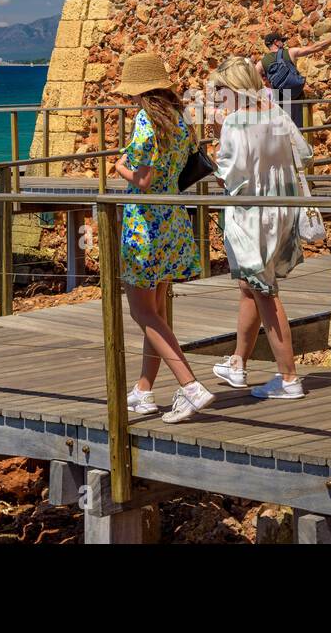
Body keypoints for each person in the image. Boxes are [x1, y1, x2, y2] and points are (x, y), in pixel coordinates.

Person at [111, 52, 214, 424]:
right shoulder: (179, 120)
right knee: (157, 313)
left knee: (142, 312)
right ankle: (142, 390)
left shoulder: (145, 121)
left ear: (138, 92)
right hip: (173, 220)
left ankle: (190, 386)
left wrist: (120, 165)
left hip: (144, 224)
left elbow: (143, 179)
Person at [206, 56, 312, 400]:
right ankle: (238, 362)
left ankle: (288, 378)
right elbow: (305, 152)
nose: (217, 97)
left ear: (233, 88)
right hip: (281, 209)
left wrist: (216, 142)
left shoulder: (235, 123)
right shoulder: (276, 114)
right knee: (249, 286)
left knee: (265, 292)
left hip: (251, 215)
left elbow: (230, 176)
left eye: (220, 90)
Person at [256, 31, 331, 128]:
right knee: (300, 131)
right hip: (296, 98)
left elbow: (254, 81)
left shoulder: (261, 63)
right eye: (281, 41)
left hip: (280, 102)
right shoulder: (290, 52)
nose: (283, 44)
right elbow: (316, 47)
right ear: (276, 42)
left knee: (283, 132)